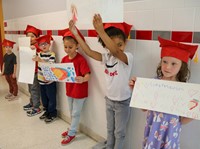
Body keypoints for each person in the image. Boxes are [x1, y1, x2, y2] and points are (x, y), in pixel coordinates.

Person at [69, 14, 133, 149]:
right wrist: (75, 33)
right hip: (109, 100)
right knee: (110, 129)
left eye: (120, 44)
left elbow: (116, 51)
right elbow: (89, 52)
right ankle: (109, 146)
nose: (117, 47)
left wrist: (101, 32)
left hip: (122, 102)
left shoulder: (127, 57)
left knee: (119, 132)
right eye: (110, 45)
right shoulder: (107, 57)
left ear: (125, 43)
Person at [129, 36, 198, 149]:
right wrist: (136, 91)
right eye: (164, 61)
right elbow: (144, 108)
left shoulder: (184, 90)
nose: (167, 67)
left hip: (170, 137)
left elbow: (182, 121)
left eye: (173, 64)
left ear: (182, 66)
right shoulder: (154, 83)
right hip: (152, 133)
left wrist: (196, 111)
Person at [59, 28, 91, 145]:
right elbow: (61, 73)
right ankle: (72, 128)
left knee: (75, 113)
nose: (67, 50)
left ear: (77, 45)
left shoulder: (80, 60)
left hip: (79, 92)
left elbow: (88, 75)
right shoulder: (64, 59)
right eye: (65, 47)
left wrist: (83, 79)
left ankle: (71, 133)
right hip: (70, 90)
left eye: (70, 47)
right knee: (72, 111)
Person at [32, 34, 57, 123]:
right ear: (39, 46)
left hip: (50, 81)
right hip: (41, 81)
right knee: (44, 99)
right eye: (41, 44)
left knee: (51, 98)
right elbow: (31, 51)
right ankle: (47, 111)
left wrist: (40, 60)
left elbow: (50, 65)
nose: (44, 46)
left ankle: (52, 113)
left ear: (49, 44)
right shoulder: (39, 54)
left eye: (46, 43)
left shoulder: (52, 54)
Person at [23, 25, 42, 116]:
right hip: (28, 71)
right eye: (28, 36)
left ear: (37, 37)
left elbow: (40, 51)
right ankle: (32, 103)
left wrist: (36, 49)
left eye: (32, 36)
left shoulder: (37, 45)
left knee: (34, 89)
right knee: (30, 88)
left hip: (35, 71)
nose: (30, 38)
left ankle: (36, 107)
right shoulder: (27, 45)